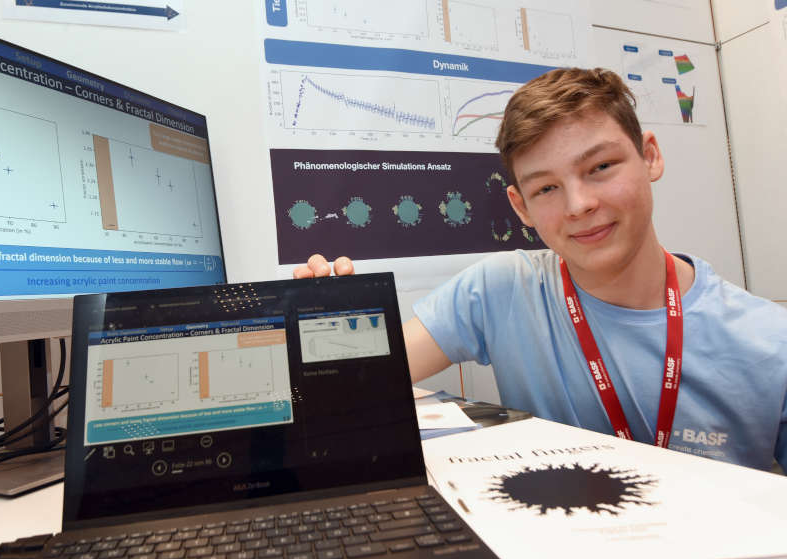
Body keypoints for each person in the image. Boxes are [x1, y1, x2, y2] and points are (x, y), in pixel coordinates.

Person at [293, 68, 787, 473]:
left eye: (600, 168)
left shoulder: (769, 344)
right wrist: (326, 323)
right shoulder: (501, 290)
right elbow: (357, 384)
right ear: (521, 206)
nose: (579, 205)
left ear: (649, 155)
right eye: (546, 188)